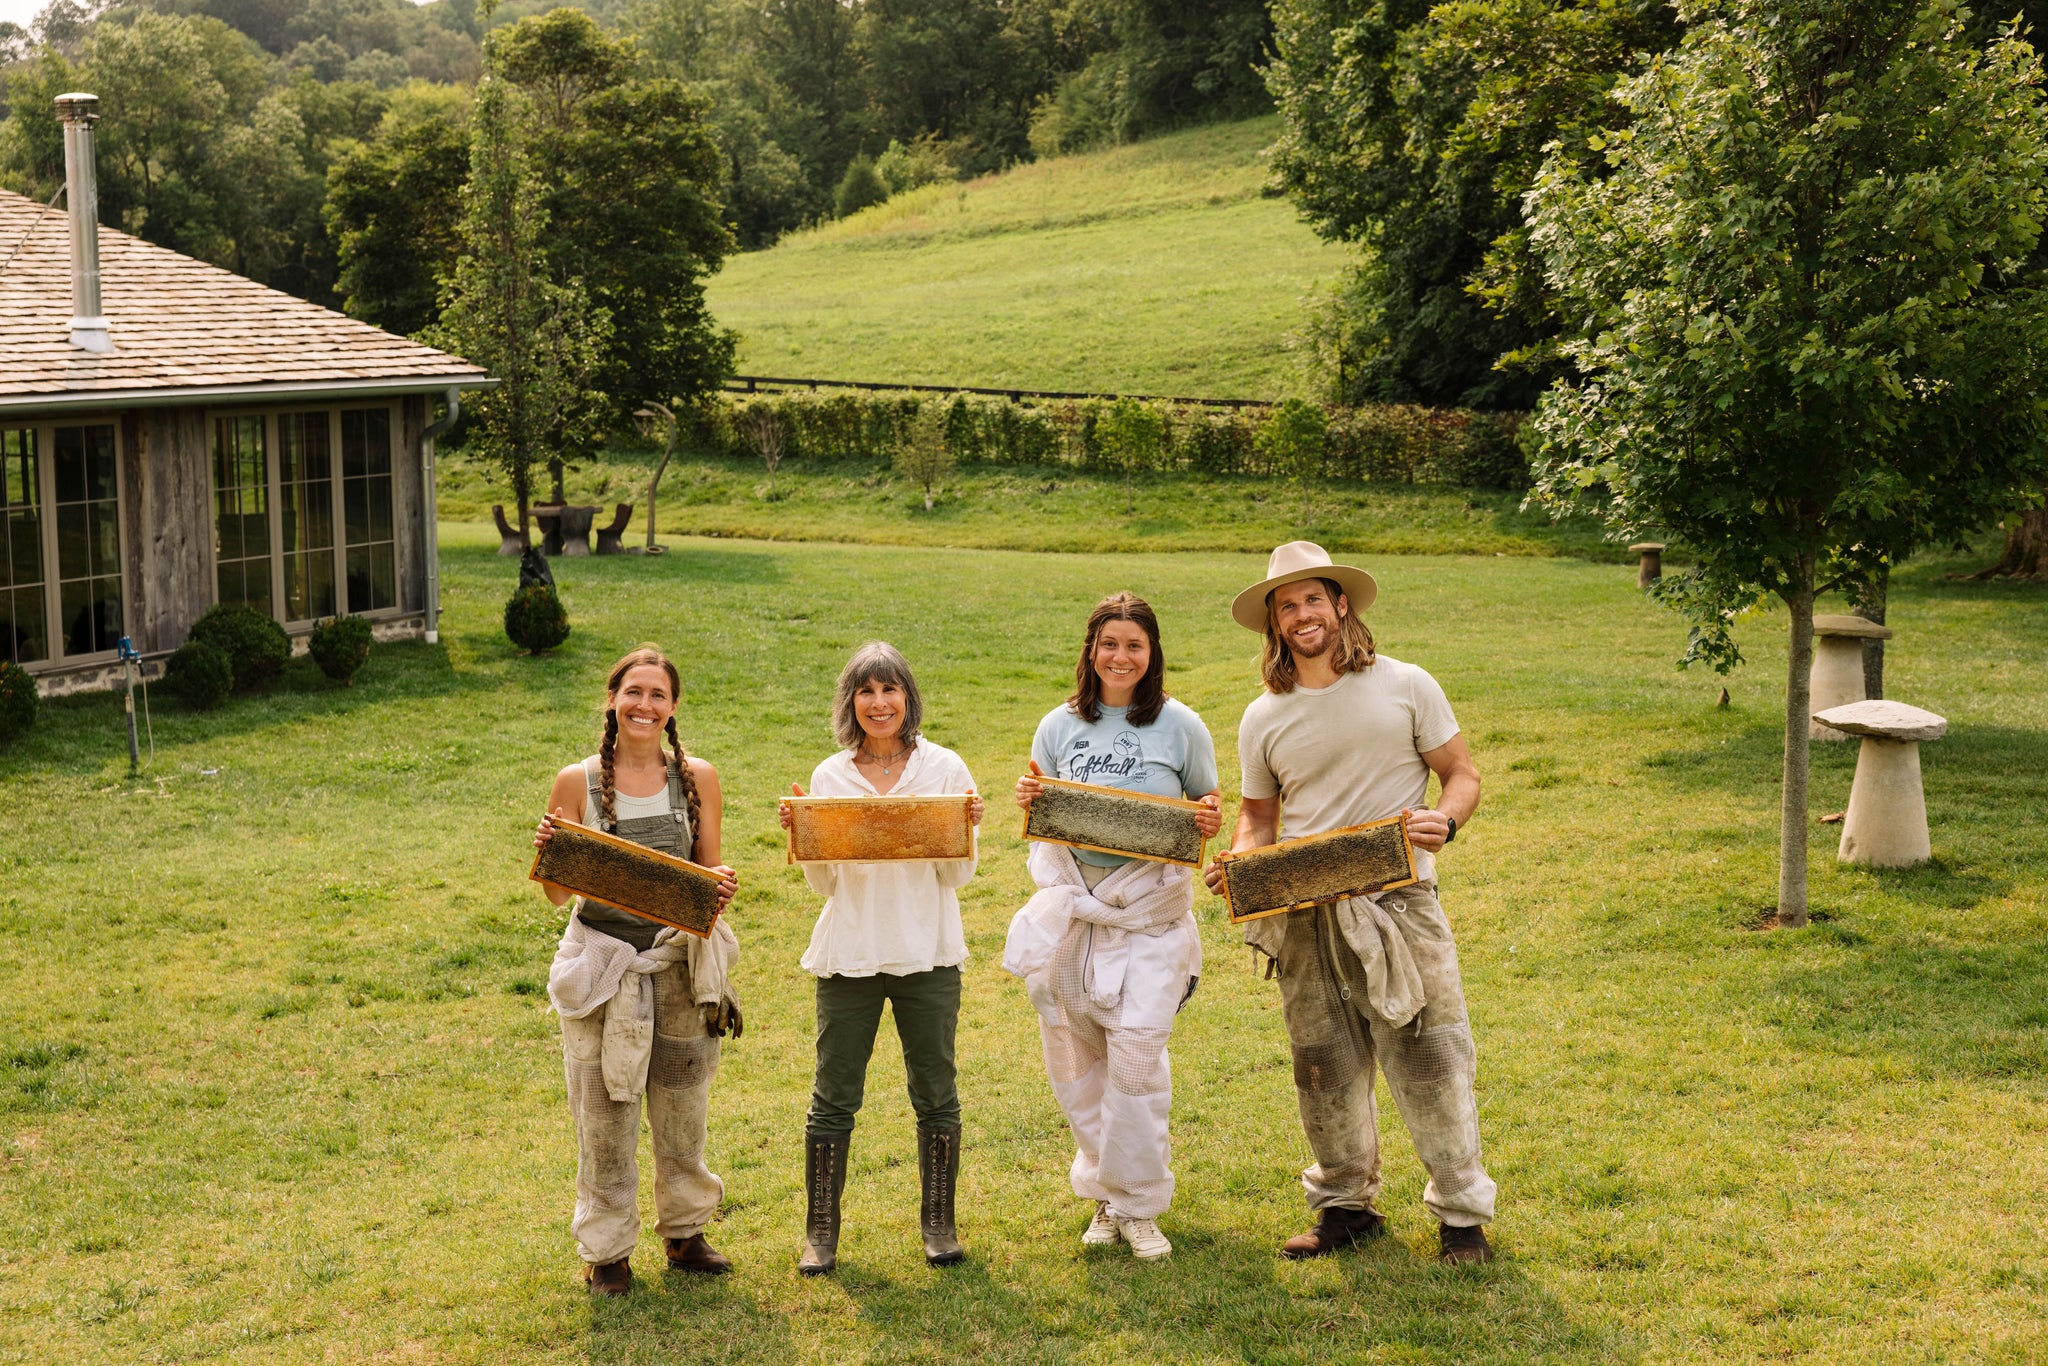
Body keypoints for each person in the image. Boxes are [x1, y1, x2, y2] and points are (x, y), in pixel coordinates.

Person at [1204, 542, 1497, 1264]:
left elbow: (1461, 774)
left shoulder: (1406, 685)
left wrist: (1447, 819)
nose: (1301, 614)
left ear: (1341, 605)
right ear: (1274, 624)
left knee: (1432, 1057)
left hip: (1399, 903)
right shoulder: (1263, 716)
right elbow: (1259, 818)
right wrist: (1243, 858)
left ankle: (1462, 1218)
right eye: (1286, 605)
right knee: (1323, 1064)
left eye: (1312, 599)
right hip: (1304, 914)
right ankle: (1344, 1207)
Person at [1006, 592, 1223, 1261]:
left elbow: (1204, 802)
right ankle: (1107, 1194)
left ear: (1151, 652)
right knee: (1077, 1062)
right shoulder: (1060, 724)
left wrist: (1210, 816)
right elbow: (1044, 804)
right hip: (1078, 907)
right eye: (1109, 643)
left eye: (1134, 644)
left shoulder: (1182, 725)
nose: (1120, 656)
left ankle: (1140, 1203)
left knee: (1135, 1064)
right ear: (1091, 650)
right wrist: (1029, 798)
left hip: (1150, 913)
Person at [533, 645, 742, 1297]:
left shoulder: (697, 777)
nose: (644, 705)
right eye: (634, 692)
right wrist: (547, 857)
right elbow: (557, 895)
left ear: (673, 707)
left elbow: (707, 872)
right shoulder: (577, 781)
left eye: (658, 694)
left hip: (678, 966)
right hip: (603, 973)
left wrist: (721, 885)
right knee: (604, 1116)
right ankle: (606, 1252)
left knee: (683, 1108)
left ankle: (684, 1232)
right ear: (613, 700)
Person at [777, 641, 985, 1274]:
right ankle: (820, 1232)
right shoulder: (829, 775)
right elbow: (826, 885)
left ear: (907, 697)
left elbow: (958, 876)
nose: (878, 702)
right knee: (833, 1096)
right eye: (866, 691)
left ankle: (940, 1224)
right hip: (851, 953)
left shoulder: (947, 767)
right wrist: (805, 835)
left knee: (936, 1091)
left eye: (889, 689)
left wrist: (965, 826)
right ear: (852, 702)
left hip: (928, 951)